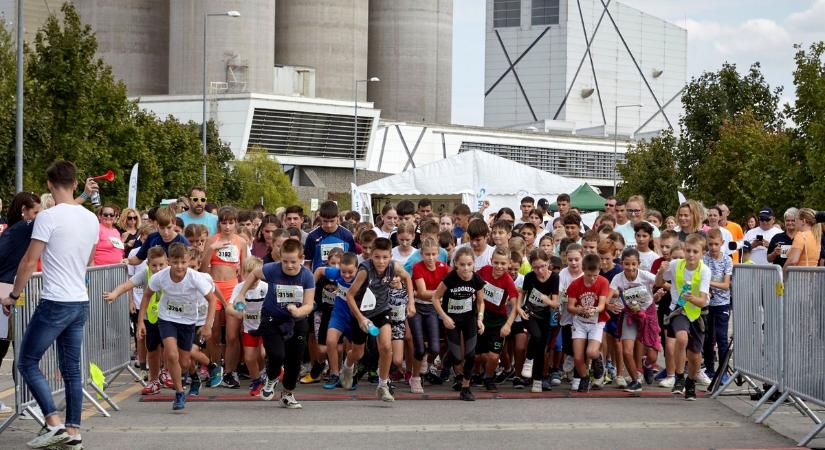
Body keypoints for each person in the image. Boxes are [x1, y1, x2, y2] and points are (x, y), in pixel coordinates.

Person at [1, 161, 98, 449]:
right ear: (76, 182)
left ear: (49, 184)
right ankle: (73, 431)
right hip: (80, 300)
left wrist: (14, 295)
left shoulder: (48, 218)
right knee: (71, 369)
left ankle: (54, 422)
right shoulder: (90, 219)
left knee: (27, 361)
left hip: (56, 299)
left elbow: (29, 261)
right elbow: (89, 260)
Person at [234, 239, 315, 408]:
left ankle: (287, 394)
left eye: (293, 261)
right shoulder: (272, 269)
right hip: (272, 319)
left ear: (302, 259)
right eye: (285, 261)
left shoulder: (307, 276)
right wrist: (241, 293)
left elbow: (308, 305)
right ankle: (271, 378)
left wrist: (297, 311)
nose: (289, 265)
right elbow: (254, 274)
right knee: (277, 355)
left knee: (294, 362)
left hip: (297, 321)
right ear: (280, 258)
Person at [137, 243, 217, 411]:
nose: (179, 266)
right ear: (168, 261)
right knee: (171, 355)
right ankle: (180, 393)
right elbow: (146, 296)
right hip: (167, 318)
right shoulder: (160, 277)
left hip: (188, 321)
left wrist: (208, 325)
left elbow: (212, 299)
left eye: (183, 262)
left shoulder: (195, 277)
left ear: (188, 261)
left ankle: (194, 376)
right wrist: (140, 322)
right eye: (175, 262)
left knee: (185, 361)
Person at [341, 238, 413, 403]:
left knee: (387, 347)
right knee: (358, 353)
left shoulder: (393, 266)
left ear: (390, 256)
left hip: (381, 310)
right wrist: (360, 318)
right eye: (377, 257)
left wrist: (411, 303)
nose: (381, 261)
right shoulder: (364, 270)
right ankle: (347, 366)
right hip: (361, 312)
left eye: (385, 257)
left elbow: (407, 278)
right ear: (371, 256)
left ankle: (382, 386)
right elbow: (350, 296)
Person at [105, 246, 169, 394]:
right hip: (150, 317)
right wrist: (114, 294)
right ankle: (154, 380)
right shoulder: (144, 274)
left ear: (167, 262)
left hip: (169, 317)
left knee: (168, 347)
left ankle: (168, 372)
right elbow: (128, 285)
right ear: (148, 264)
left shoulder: (172, 273)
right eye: (154, 265)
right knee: (152, 350)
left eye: (161, 265)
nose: (158, 269)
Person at [656, 233, 711, 401]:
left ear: (702, 253)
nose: (691, 255)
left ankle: (691, 382)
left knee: (695, 356)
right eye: (688, 250)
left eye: (695, 251)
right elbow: (659, 282)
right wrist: (661, 271)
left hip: (698, 312)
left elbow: (702, 301)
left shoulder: (705, 271)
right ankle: (679, 377)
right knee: (681, 338)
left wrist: (692, 298)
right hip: (680, 310)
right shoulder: (675, 265)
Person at [0, 192, 41, 414]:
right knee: (13, 348)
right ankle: (24, 403)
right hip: (7, 295)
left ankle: (25, 402)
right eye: (36, 212)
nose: (40, 217)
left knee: (19, 349)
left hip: (13, 293)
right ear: (24, 211)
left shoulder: (19, 230)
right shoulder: (23, 228)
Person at [200, 206, 247, 389]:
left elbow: (244, 272)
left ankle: (230, 371)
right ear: (219, 223)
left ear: (235, 223)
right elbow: (203, 270)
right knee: (213, 335)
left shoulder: (241, 242)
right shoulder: (212, 240)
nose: (227, 227)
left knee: (232, 336)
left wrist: (244, 295)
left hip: (233, 291)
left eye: (231, 222)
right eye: (224, 222)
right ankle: (215, 369)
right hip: (213, 290)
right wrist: (211, 249)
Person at [431, 246, 486, 401]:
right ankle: (448, 361)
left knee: (470, 355)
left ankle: (466, 388)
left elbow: (481, 303)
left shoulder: (476, 279)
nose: (465, 268)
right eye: (462, 265)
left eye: (469, 264)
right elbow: (435, 298)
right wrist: (444, 317)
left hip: (469, 320)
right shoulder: (450, 278)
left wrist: (480, 319)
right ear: (455, 264)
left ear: (474, 264)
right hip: (452, 321)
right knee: (457, 357)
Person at [608, 248, 659, 393]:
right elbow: (608, 295)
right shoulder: (618, 278)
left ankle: (646, 364)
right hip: (630, 315)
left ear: (638, 264)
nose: (630, 268)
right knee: (627, 351)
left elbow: (662, 283)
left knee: (653, 356)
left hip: (648, 315)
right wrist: (609, 305)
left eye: (633, 264)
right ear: (622, 264)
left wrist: (662, 288)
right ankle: (636, 380)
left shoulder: (645, 276)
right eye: (626, 264)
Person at [476, 246, 520, 392]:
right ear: (491, 261)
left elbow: (515, 306)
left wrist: (508, 325)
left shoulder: (508, 281)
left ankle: (489, 378)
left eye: (503, 264)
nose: (499, 267)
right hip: (482, 316)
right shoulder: (484, 271)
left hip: (498, 321)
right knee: (480, 355)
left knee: (494, 356)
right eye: (496, 263)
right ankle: (483, 373)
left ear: (508, 264)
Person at [409, 238, 450, 394]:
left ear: (438, 254)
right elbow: (422, 292)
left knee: (434, 347)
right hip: (417, 308)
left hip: (433, 308)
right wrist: (440, 293)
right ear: (422, 254)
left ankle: (426, 362)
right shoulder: (417, 267)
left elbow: (454, 280)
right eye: (427, 254)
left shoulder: (443, 267)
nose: (431, 258)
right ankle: (415, 378)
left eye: (434, 254)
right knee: (419, 348)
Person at [566, 253, 609, 393]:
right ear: (583, 270)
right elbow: (570, 307)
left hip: (596, 321)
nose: (592, 279)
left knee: (591, 351)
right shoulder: (575, 285)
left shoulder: (603, 282)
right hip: (580, 322)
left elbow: (602, 305)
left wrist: (594, 309)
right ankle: (584, 378)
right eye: (589, 275)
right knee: (578, 357)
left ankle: (598, 359)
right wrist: (580, 310)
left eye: (595, 275)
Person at [518, 249, 559, 393]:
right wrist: (518, 308)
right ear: (531, 266)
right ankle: (528, 360)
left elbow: (555, 303)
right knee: (536, 336)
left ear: (548, 263)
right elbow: (521, 295)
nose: (539, 270)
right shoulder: (529, 277)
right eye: (535, 267)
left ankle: (537, 380)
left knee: (541, 348)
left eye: (542, 266)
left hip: (544, 316)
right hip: (529, 313)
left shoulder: (554, 278)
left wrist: (547, 300)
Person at [227, 256, 268, 397]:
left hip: (265, 327)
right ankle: (257, 380)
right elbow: (229, 308)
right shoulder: (239, 288)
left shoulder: (265, 287)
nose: (254, 281)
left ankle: (267, 373)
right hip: (249, 328)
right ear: (242, 274)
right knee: (249, 358)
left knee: (263, 353)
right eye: (249, 275)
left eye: (256, 277)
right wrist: (237, 314)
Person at [318, 252, 359, 390]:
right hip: (339, 315)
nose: (346, 275)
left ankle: (349, 374)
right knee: (330, 341)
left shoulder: (362, 279)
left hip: (355, 317)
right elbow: (319, 270)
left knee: (355, 349)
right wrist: (310, 292)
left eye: (350, 272)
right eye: (343, 272)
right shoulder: (336, 273)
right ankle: (334, 373)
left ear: (357, 269)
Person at [701, 228, 733, 386]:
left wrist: (707, 283)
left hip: (722, 304)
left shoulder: (727, 259)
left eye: (716, 244)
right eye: (710, 244)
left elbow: (726, 285)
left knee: (721, 338)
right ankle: (709, 369)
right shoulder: (704, 259)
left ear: (722, 243)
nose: (713, 247)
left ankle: (723, 371)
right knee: (708, 338)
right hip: (707, 304)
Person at [304, 201, 356, 272]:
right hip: (320, 280)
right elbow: (307, 264)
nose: (329, 225)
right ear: (320, 218)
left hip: (342, 279)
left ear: (338, 217)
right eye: (325, 221)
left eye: (332, 221)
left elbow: (353, 261)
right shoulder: (312, 236)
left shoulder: (347, 235)